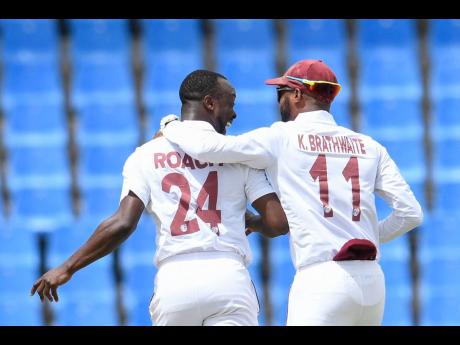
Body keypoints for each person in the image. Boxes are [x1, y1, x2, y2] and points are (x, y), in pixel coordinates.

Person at [161, 59, 424, 326]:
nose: (279, 102)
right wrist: (355, 236)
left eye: (281, 93)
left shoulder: (282, 137)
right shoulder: (370, 146)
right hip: (372, 283)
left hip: (322, 280)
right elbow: (411, 213)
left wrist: (170, 125)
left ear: (297, 94)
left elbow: (208, 148)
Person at [31, 70, 289, 326]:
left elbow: (122, 223)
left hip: (175, 281)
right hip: (227, 277)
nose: (234, 113)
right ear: (210, 103)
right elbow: (277, 223)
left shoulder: (145, 155)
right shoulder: (238, 156)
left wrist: (67, 267)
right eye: (230, 104)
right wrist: (251, 222)